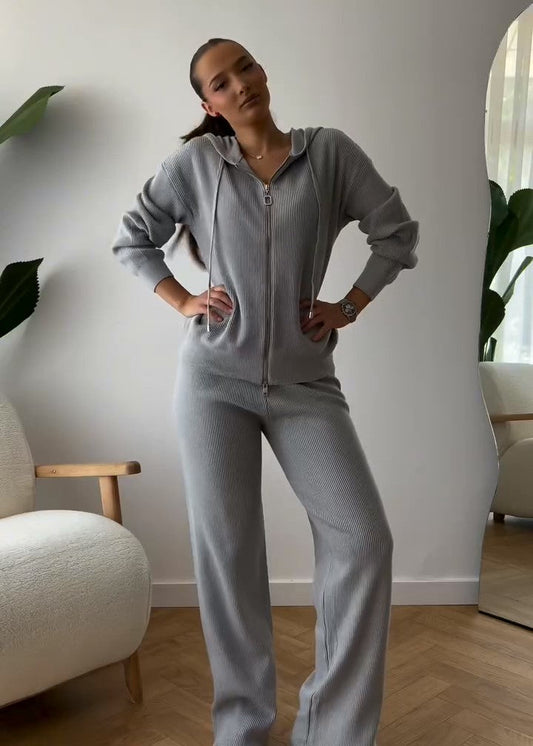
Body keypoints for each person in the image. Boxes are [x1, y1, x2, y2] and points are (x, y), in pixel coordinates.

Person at [111, 37, 419, 746]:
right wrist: (183, 300)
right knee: (228, 552)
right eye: (220, 82)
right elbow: (132, 239)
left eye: (243, 67)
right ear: (209, 104)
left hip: (306, 383)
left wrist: (349, 305)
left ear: (262, 71)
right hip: (212, 384)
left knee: (363, 541)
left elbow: (395, 234)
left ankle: (331, 731)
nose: (239, 84)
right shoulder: (195, 164)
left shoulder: (329, 154)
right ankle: (243, 725)